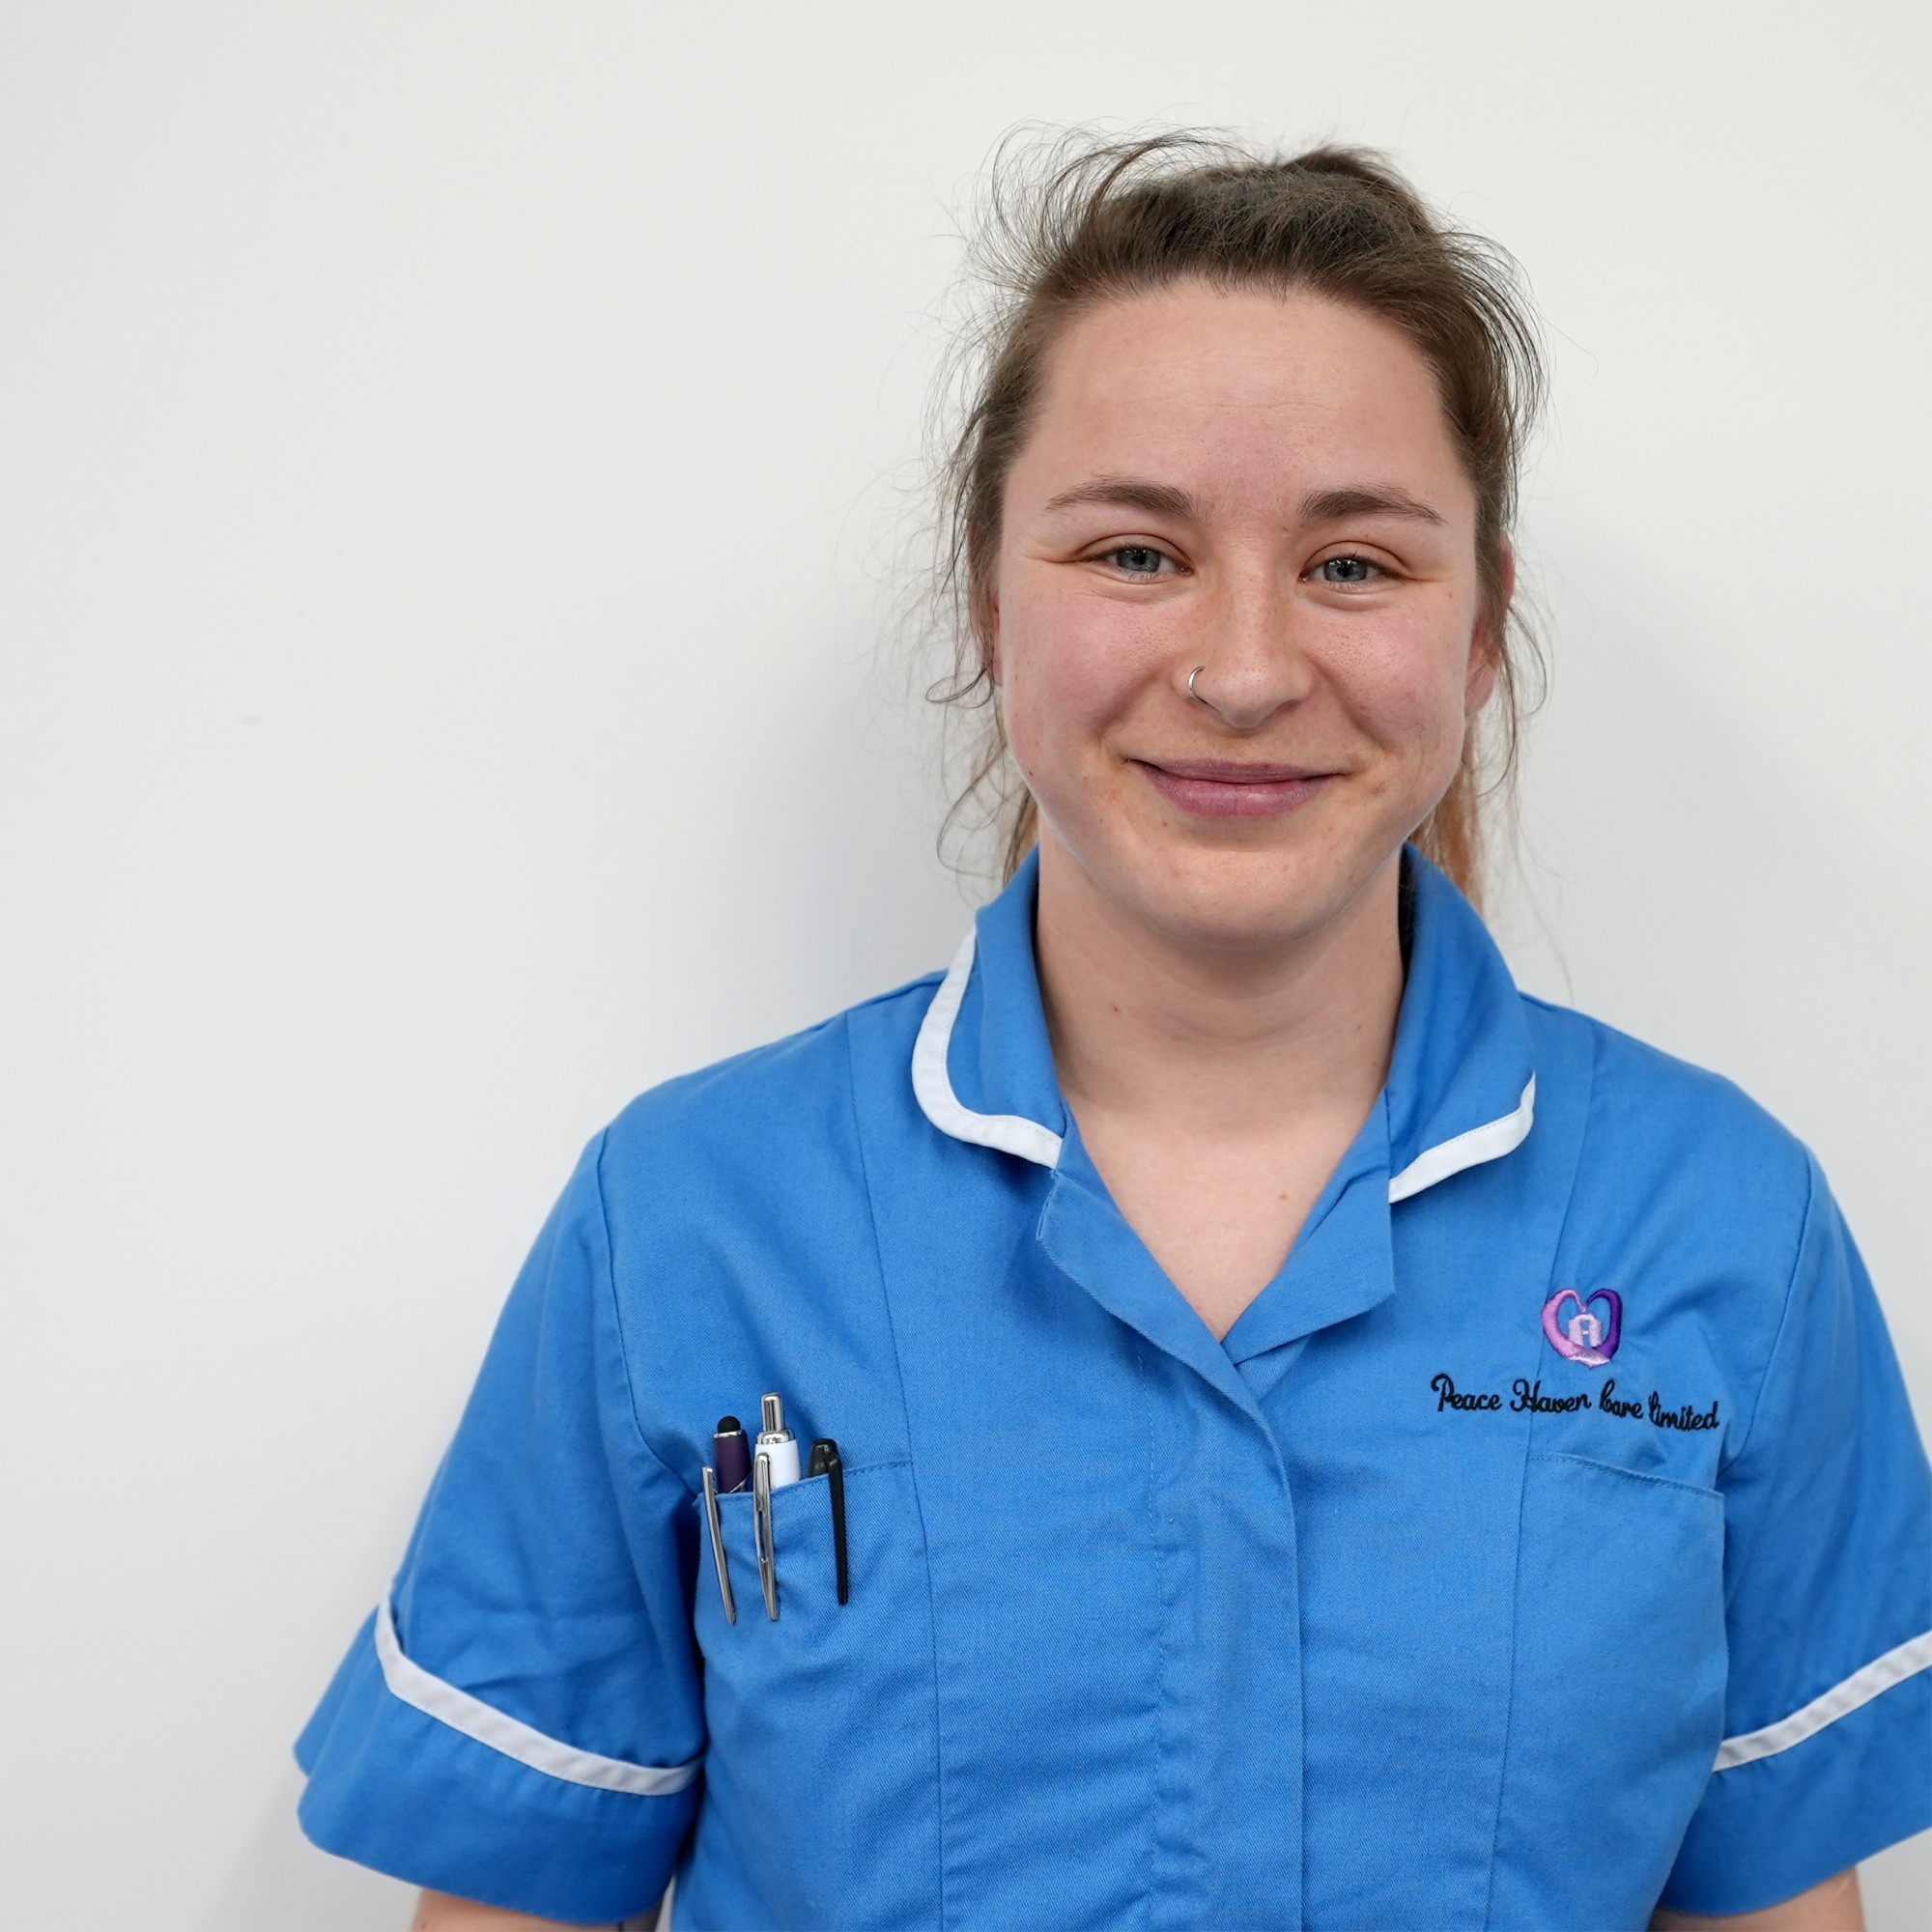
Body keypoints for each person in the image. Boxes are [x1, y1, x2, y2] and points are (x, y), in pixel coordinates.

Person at [295, 133, 1931, 1932]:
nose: (1241, 669)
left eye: (1357, 565)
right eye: (1138, 550)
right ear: (992, 601)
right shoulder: (684, 1223)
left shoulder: (1720, 1223)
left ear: (1480, 636)